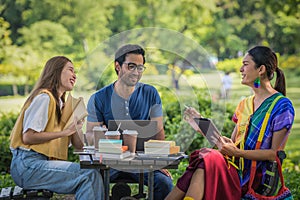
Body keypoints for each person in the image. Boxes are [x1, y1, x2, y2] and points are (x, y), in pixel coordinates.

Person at [165, 46, 295, 200]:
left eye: (245, 64)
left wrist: (237, 153)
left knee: (205, 160)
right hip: (236, 171)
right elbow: (232, 144)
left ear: (260, 69)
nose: (241, 69)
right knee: (205, 160)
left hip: (255, 178)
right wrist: (203, 127)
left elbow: (273, 154)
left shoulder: (281, 106)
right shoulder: (244, 104)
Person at [86, 44, 173, 199]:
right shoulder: (98, 98)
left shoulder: (151, 93)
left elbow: (158, 131)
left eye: (140, 68)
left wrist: (159, 162)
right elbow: (90, 135)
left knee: (164, 184)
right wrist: (101, 135)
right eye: (131, 66)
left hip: (142, 163)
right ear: (117, 66)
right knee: (91, 181)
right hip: (109, 163)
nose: (136, 72)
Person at [9, 56, 104, 200]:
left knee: (92, 173)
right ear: (56, 71)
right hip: (27, 165)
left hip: (39, 164)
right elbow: (28, 136)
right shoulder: (44, 98)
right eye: (70, 70)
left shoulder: (62, 105)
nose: (74, 75)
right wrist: (64, 132)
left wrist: (76, 127)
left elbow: (78, 146)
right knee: (89, 176)